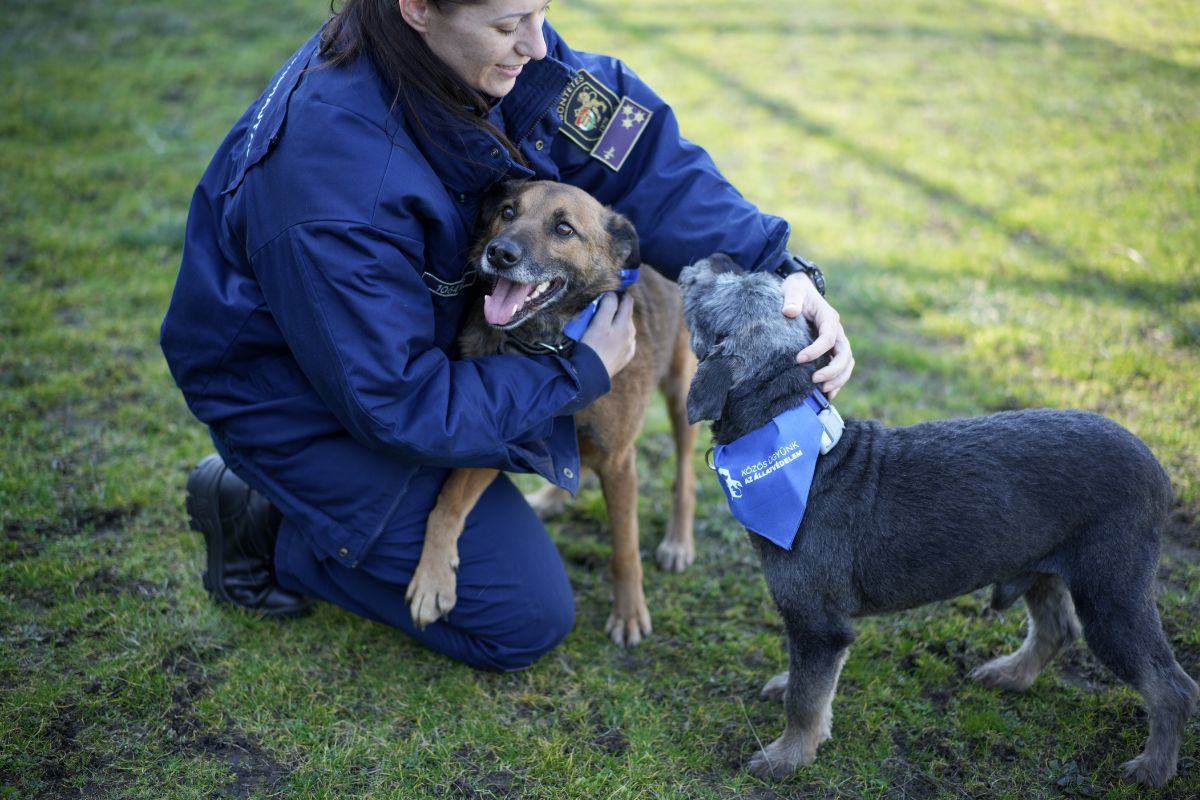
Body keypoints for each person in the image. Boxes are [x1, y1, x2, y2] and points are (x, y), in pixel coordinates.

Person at [161, 0, 854, 671]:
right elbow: (396, 404)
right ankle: (265, 524)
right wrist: (574, 372)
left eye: (542, 12)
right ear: (418, 8)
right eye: (507, 24)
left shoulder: (510, 64)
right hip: (299, 400)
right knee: (521, 618)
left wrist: (779, 269)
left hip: (422, 365)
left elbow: (646, 168)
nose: (539, 44)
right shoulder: (334, 181)